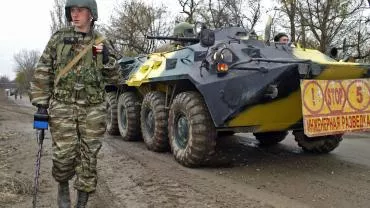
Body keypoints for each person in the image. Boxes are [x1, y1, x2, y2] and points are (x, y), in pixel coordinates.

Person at [30, 0, 118, 207]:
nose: (75, 15)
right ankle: (62, 189)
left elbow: (115, 78)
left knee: (88, 158)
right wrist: (41, 105)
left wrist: (107, 59)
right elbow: (43, 71)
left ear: (91, 14)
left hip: (93, 109)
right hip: (63, 107)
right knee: (63, 156)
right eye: (72, 11)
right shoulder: (59, 39)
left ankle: (81, 203)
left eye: (80, 10)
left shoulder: (100, 42)